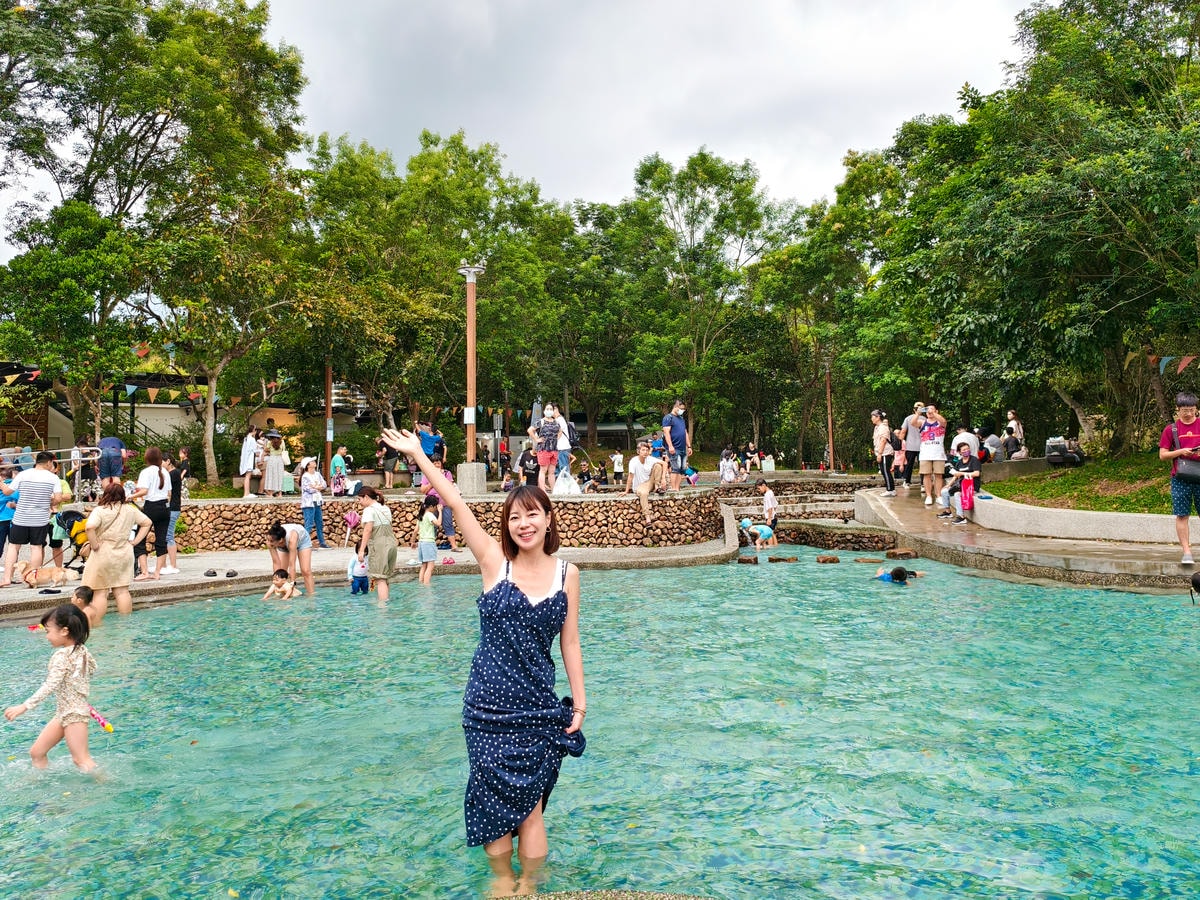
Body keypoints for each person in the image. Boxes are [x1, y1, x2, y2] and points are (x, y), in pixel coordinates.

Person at [378, 427, 585, 887]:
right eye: (515, 517)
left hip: (537, 706)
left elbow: (570, 643)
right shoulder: (495, 562)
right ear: (506, 525)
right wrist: (419, 456)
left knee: (531, 807)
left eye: (533, 514)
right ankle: (500, 882)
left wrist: (581, 704)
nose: (524, 524)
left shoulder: (567, 575)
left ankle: (530, 887)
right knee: (492, 800)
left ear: (549, 519)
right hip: (487, 707)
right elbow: (455, 501)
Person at [4, 604, 98, 771]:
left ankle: (105, 784)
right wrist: (77, 694)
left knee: (81, 759)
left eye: (48, 631)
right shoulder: (82, 650)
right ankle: (40, 782)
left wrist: (24, 706)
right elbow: (91, 669)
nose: (47, 636)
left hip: (73, 713)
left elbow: (50, 685)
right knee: (37, 752)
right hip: (65, 711)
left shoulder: (62, 655)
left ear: (64, 631)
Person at [81, 483, 152, 620]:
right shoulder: (130, 510)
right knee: (122, 591)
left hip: (104, 551)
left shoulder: (100, 510)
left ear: (106, 494)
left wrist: (94, 545)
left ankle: (97, 624)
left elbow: (89, 527)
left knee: (100, 592)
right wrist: (135, 541)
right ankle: (125, 623)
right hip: (124, 551)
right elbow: (147, 522)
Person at [0, 451, 64, 588]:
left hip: (21, 518)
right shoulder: (53, 478)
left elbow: (7, 492)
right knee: (36, 547)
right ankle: (33, 578)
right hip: (40, 519)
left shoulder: (23, 474)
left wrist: (0, 482)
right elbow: (58, 498)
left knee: (13, 547)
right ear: (49, 463)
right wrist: (49, 502)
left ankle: (6, 578)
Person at [1159, 391, 1200, 565]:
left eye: (1191, 409)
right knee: (1182, 515)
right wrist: (1181, 452)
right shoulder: (1171, 429)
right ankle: (1187, 552)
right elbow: (1163, 455)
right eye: (1184, 410)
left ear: (1196, 408)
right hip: (1180, 478)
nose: (1188, 413)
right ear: (1178, 410)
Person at [129, 447, 171, 581]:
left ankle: (145, 572)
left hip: (151, 507)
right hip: (164, 507)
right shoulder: (165, 472)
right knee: (161, 540)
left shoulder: (146, 472)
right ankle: (157, 572)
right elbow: (169, 493)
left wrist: (130, 497)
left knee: (139, 539)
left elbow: (144, 491)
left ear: (147, 458)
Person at [356, 486, 399, 600]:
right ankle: (386, 603)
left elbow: (368, 530)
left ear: (366, 497)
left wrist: (361, 550)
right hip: (391, 544)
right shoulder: (385, 508)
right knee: (385, 578)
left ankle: (382, 607)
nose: (359, 502)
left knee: (380, 580)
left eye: (359, 499)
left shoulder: (369, 510)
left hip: (379, 546)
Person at [936, 441, 982, 525]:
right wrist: (949, 485)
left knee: (957, 494)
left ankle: (961, 517)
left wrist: (962, 473)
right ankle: (948, 512)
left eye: (967, 449)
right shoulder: (959, 462)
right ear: (960, 452)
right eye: (964, 450)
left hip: (971, 486)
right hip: (960, 485)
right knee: (944, 491)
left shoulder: (974, 460)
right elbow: (955, 475)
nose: (966, 451)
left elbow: (977, 473)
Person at [421, 454, 460, 552]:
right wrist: (432, 482)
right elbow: (423, 490)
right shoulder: (427, 475)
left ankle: (454, 546)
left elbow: (450, 487)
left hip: (444, 503)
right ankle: (429, 546)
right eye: (434, 463)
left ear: (441, 463)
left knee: (448, 524)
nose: (436, 465)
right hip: (431, 504)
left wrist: (439, 477)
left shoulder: (447, 473)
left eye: (438, 463)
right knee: (431, 524)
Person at [266, 520, 314, 596]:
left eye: (271, 541)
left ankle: (311, 596)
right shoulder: (271, 541)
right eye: (267, 540)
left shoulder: (292, 539)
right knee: (281, 573)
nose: (268, 543)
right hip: (283, 544)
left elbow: (292, 564)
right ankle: (281, 595)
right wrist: (276, 582)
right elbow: (276, 562)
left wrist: (292, 584)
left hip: (302, 542)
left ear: (280, 540)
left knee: (305, 570)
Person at [624, 440, 665, 525]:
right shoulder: (633, 461)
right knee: (643, 493)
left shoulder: (649, 458)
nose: (645, 452)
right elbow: (630, 477)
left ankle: (657, 487)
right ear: (638, 451)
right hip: (640, 486)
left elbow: (664, 464)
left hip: (650, 482)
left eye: (647, 450)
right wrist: (626, 491)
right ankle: (647, 517)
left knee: (658, 465)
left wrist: (663, 478)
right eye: (643, 450)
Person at [916, 403, 948, 508]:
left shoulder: (940, 422)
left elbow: (944, 421)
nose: (929, 411)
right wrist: (918, 413)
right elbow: (913, 423)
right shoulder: (922, 422)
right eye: (928, 410)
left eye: (932, 409)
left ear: (936, 411)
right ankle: (928, 495)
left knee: (939, 475)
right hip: (925, 453)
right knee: (926, 475)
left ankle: (938, 495)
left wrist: (933, 413)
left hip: (938, 453)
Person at [528, 402, 564, 493]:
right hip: (544, 449)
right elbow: (530, 430)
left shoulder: (556, 422)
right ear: (544, 411)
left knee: (552, 471)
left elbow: (560, 431)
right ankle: (543, 490)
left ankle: (554, 490)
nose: (549, 411)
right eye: (547, 409)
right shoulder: (541, 421)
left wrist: (556, 439)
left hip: (554, 449)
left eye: (551, 409)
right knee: (543, 470)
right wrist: (536, 439)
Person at [160, 453, 183, 574]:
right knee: (164, 536)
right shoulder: (172, 473)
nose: (160, 465)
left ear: (168, 461)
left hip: (173, 508)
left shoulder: (173, 474)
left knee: (169, 536)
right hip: (170, 508)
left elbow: (167, 491)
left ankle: (173, 565)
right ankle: (163, 565)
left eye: (161, 462)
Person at [299, 457, 329, 548]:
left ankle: (322, 542)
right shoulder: (305, 476)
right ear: (308, 465)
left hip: (317, 501)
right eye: (312, 461)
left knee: (319, 522)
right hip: (309, 503)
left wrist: (316, 487)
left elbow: (324, 484)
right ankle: (303, 544)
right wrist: (318, 488)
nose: (314, 462)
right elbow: (308, 489)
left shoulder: (317, 474)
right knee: (309, 523)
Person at [662, 399, 691, 492]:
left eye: (683, 409)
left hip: (682, 448)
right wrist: (670, 446)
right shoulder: (668, 418)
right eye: (681, 408)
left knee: (681, 469)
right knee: (675, 468)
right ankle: (673, 488)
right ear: (676, 406)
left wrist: (689, 446)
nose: (682, 410)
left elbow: (685, 432)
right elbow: (666, 432)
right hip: (674, 447)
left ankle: (677, 488)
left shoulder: (681, 419)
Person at [410, 494, 440, 585]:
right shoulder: (430, 515)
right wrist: (440, 512)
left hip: (421, 543)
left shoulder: (421, 515)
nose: (436, 508)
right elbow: (438, 523)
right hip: (429, 543)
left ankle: (421, 584)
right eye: (435, 507)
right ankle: (427, 585)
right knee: (430, 566)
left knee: (424, 565)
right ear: (431, 506)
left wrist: (412, 542)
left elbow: (415, 531)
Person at [899, 402, 924, 488]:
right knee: (922, 465)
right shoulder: (925, 419)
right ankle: (923, 483)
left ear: (913, 409)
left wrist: (900, 443)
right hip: (923, 445)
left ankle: (907, 481)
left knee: (909, 464)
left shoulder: (908, 418)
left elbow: (903, 431)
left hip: (910, 445)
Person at [871, 409, 896, 496]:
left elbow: (883, 440)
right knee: (883, 471)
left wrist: (880, 453)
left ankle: (890, 490)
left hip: (885, 452)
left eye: (873, 417)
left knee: (886, 471)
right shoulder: (877, 427)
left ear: (878, 417)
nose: (871, 418)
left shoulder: (883, 427)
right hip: (881, 452)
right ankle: (890, 489)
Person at [261, 431, 288, 498]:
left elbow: (266, 450)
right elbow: (283, 450)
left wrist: (265, 446)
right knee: (280, 476)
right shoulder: (282, 442)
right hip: (279, 459)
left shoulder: (270, 442)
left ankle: (270, 493)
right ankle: (280, 494)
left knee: (271, 476)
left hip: (272, 459)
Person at [0, 464, 16, 564]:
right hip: (14, 519)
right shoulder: (15, 486)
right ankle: (13, 566)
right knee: (14, 546)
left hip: (1, 519)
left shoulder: (3, 487)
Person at [239, 426, 261, 498]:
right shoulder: (251, 439)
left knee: (247, 476)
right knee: (248, 476)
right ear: (254, 431)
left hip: (246, 460)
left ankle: (247, 492)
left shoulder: (246, 438)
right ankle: (246, 493)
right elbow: (255, 451)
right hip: (249, 460)